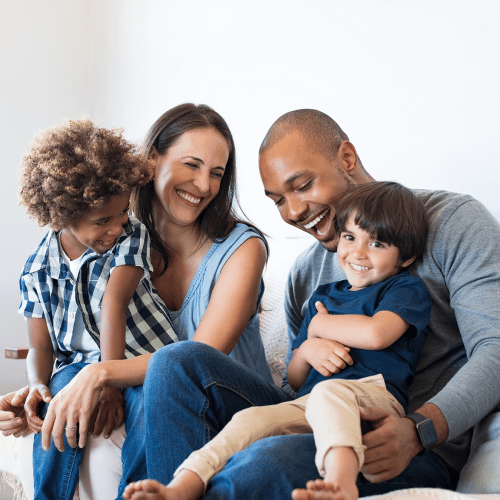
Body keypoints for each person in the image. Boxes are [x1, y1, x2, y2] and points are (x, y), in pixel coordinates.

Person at [117, 108, 500, 500]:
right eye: (278, 200)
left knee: (265, 461)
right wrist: (306, 349)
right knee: (175, 361)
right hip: (314, 412)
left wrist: (420, 430)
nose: (294, 212)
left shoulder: (452, 222)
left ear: (346, 159)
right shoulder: (306, 273)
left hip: (406, 444)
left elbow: (495, 350)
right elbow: (296, 386)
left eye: (302, 185)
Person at [1, 103, 277, 500]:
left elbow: (196, 359)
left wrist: (101, 374)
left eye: (217, 174)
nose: (203, 185)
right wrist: (38, 390)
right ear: (150, 162)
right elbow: (76, 333)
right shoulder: (112, 235)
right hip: (151, 396)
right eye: (191, 165)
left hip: (226, 406)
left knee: (161, 376)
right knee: (74, 420)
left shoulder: (241, 250)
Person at [122, 181, 432, 500]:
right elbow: (296, 378)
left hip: (373, 399)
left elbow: (377, 333)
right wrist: (309, 346)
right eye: (350, 237)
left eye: (377, 244)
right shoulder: (323, 297)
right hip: (308, 403)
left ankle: (341, 483)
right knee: (249, 420)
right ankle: (182, 486)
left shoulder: (403, 289)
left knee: (330, 391)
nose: (358, 253)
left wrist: (321, 326)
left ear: (405, 257)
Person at [17, 118, 178, 500]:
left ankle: (138, 493)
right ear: (62, 214)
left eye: (123, 212)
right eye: (102, 220)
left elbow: (113, 305)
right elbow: (41, 347)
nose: (116, 226)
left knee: (146, 409)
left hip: (143, 360)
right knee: (58, 399)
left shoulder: (130, 235)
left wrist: (108, 381)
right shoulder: (36, 269)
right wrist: (38, 384)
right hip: (77, 366)